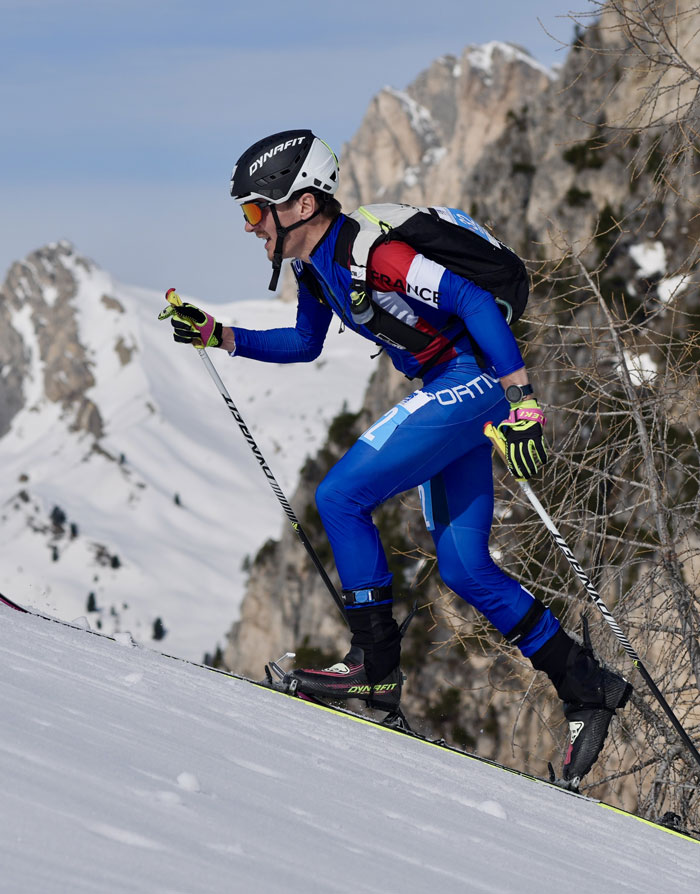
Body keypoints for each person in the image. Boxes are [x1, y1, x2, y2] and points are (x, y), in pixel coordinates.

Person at [165, 128, 632, 786]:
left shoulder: (370, 253)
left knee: (339, 495)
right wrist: (219, 335)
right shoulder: (314, 267)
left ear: (299, 204)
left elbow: (469, 300)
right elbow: (304, 344)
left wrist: (524, 403)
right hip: (451, 390)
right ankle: (588, 688)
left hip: (472, 383)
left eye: (253, 210)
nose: (249, 228)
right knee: (466, 568)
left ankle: (374, 672)